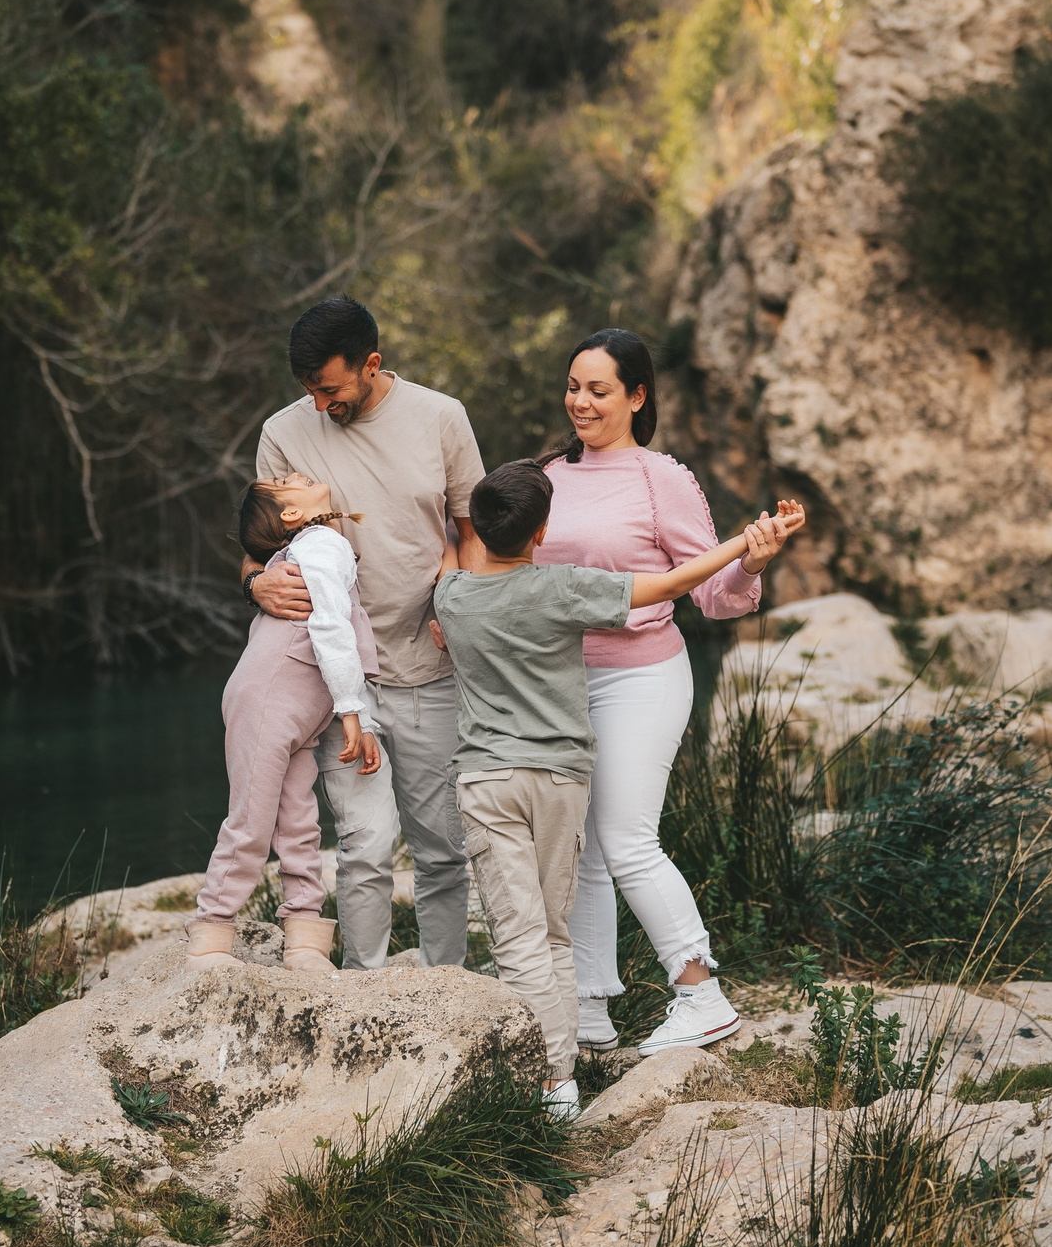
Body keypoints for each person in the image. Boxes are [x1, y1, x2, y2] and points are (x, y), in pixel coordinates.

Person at [433, 459, 799, 1121]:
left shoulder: (450, 596)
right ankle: (563, 1073)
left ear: (479, 532)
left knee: (515, 938)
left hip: (487, 779)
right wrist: (746, 545)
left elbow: (445, 552)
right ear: (542, 533)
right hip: (559, 780)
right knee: (552, 934)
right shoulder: (562, 587)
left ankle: (549, 1079)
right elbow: (672, 581)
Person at [535, 329, 803, 1055]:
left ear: (637, 396)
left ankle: (699, 992)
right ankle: (589, 1010)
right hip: (560, 682)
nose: (581, 401)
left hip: (642, 674)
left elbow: (715, 595)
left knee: (625, 837)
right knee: (581, 849)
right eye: (573, 386)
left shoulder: (662, 479)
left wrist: (751, 565)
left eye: (599, 389)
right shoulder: (546, 474)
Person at [248, 298, 485, 969]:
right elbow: (258, 547)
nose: (319, 405)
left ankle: (445, 986)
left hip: (429, 666)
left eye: (330, 388)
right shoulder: (282, 433)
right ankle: (363, 986)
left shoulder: (442, 417)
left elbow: (472, 532)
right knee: (366, 842)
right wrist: (253, 583)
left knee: (442, 844)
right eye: (308, 390)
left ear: (371, 364)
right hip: (335, 677)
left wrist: (455, 603)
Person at [188, 473, 383, 975]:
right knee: (250, 822)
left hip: (300, 711)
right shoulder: (320, 544)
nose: (294, 474)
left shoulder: (316, 541)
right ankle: (210, 939)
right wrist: (350, 707)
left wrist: (358, 713)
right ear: (292, 514)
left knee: (299, 825)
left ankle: (304, 939)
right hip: (268, 700)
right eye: (283, 481)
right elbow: (331, 623)